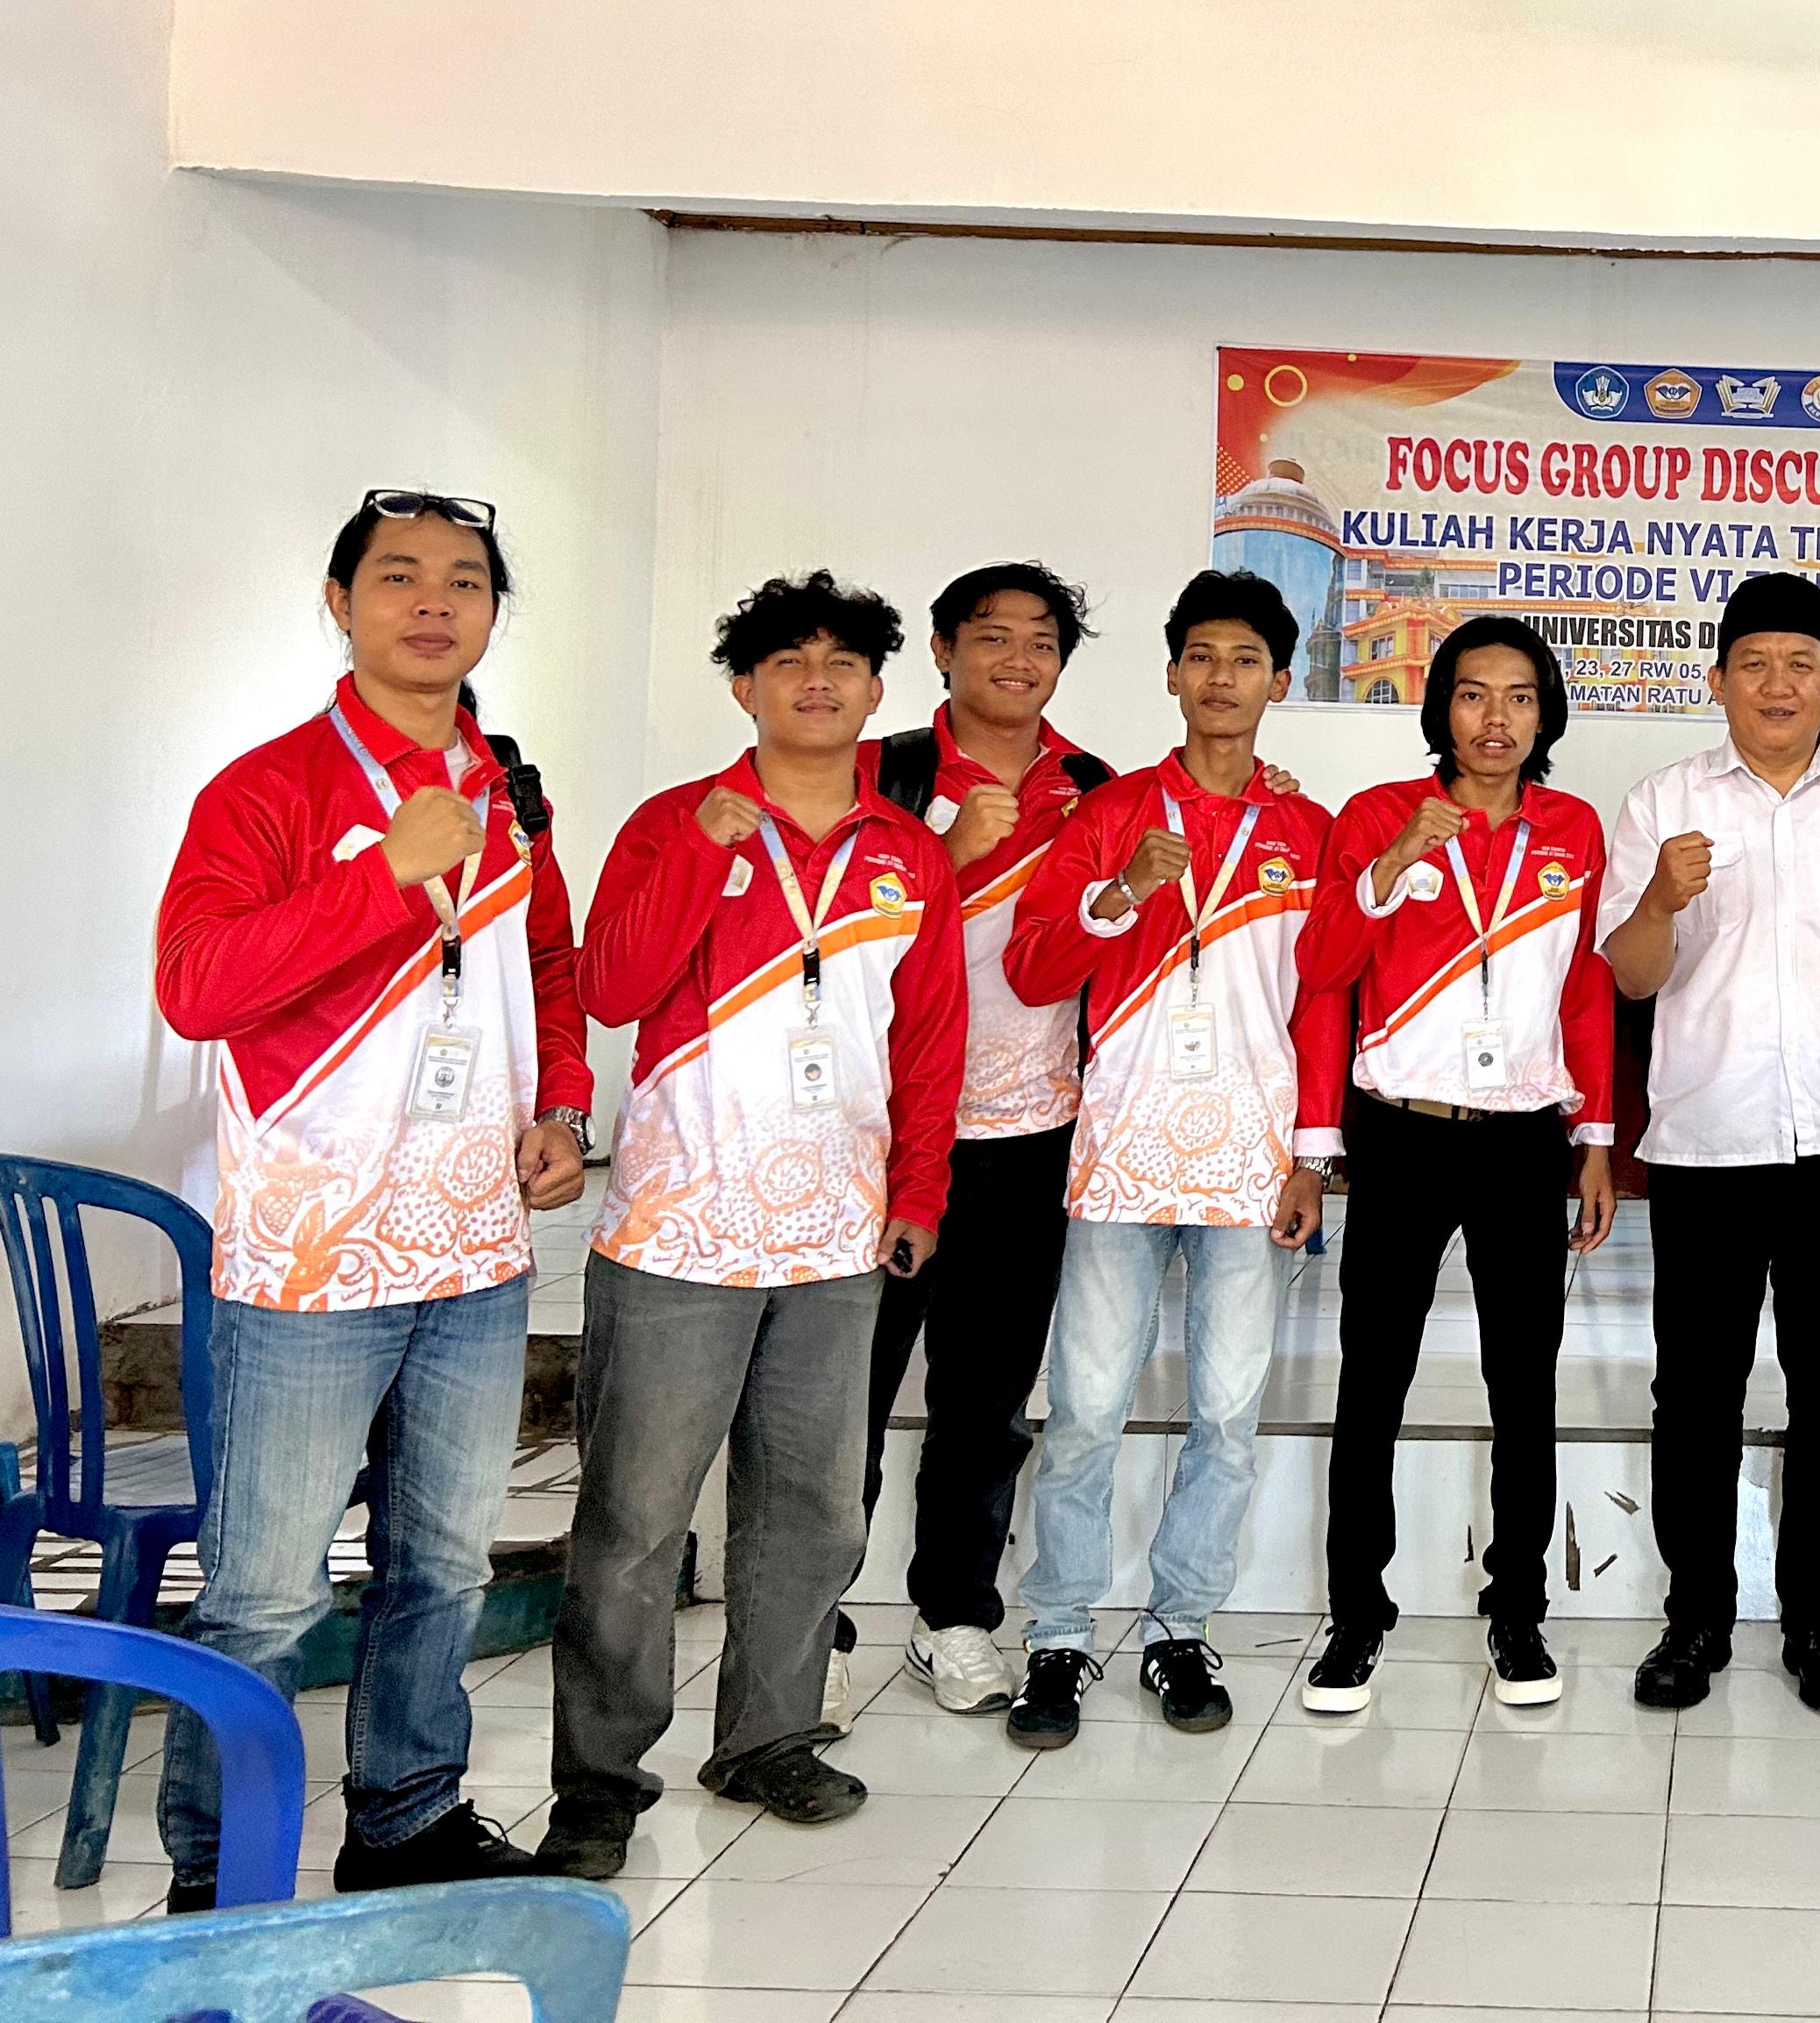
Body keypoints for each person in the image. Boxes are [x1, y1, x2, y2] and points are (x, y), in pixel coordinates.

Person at [151, 491, 591, 1910]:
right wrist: (389, 874)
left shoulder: (507, 790)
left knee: (441, 1567)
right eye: (397, 575)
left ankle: (404, 1818)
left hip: (474, 1247)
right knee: (266, 1591)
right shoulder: (266, 789)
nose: (433, 601)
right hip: (310, 1259)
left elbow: (552, 966)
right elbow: (199, 986)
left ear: (494, 613)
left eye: (464, 579)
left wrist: (563, 1105)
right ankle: (218, 1874)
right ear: (339, 602)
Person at [540, 572, 966, 1875]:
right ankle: (599, 1783)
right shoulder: (676, 822)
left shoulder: (908, 853)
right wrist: (704, 856)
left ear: (879, 691)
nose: (818, 682)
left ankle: (769, 1738)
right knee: (634, 1522)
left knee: (811, 1513)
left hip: (838, 1237)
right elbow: (612, 989)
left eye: (844, 662)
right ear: (745, 687)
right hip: (679, 1231)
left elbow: (930, 1038)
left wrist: (919, 1193)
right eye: (790, 661)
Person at [1604, 572, 1820, 1717]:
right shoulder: (1661, 804)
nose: (1777, 684)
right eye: (1754, 664)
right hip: (1707, 1145)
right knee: (1695, 1397)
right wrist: (1659, 900)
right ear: (1717, 681)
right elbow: (1632, 976)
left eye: (1799, 664)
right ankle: (1694, 1620)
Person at [999, 570, 1345, 1744]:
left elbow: (1324, 1002)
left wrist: (1313, 1156)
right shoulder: (1108, 815)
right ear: (1171, 674)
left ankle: (1180, 1628)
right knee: (1085, 1412)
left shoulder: (1306, 829)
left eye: (1246, 660)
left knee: (1227, 1419)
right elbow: (1033, 968)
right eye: (1202, 657)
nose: (1221, 679)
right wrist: (1121, 893)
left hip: (1252, 1163)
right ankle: (1056, 1635)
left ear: (1279, 682)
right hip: (1121, 1157)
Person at [1292, 616, 1614, 1713]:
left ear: (1544, 713)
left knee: (1524, 1384)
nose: (1496, 719)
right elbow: (1322, 967)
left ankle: (1517, 1607)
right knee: (1372, 1377)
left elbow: (1583, 992)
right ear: (1442, 709)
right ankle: (1356, 1612)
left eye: (1520, 697)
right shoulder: (1375, 816)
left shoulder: (1572, 829)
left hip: (1522, 1140)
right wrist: (1394, 864)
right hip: (1404, 1132)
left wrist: (1595, 1138)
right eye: (1474, 695)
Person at [843, 561, 1114, 1718]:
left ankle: (953, 1615)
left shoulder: (1094, 789)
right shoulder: (880, 774)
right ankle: (803, 1618)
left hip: (1026, 1135)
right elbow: (819, 938)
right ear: (944, 650)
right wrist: (944, 862)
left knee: (984, 1403)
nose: (1018, 659)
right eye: (992, 636)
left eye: (1040, 641)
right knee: (837, 1396)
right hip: (873, 1135)